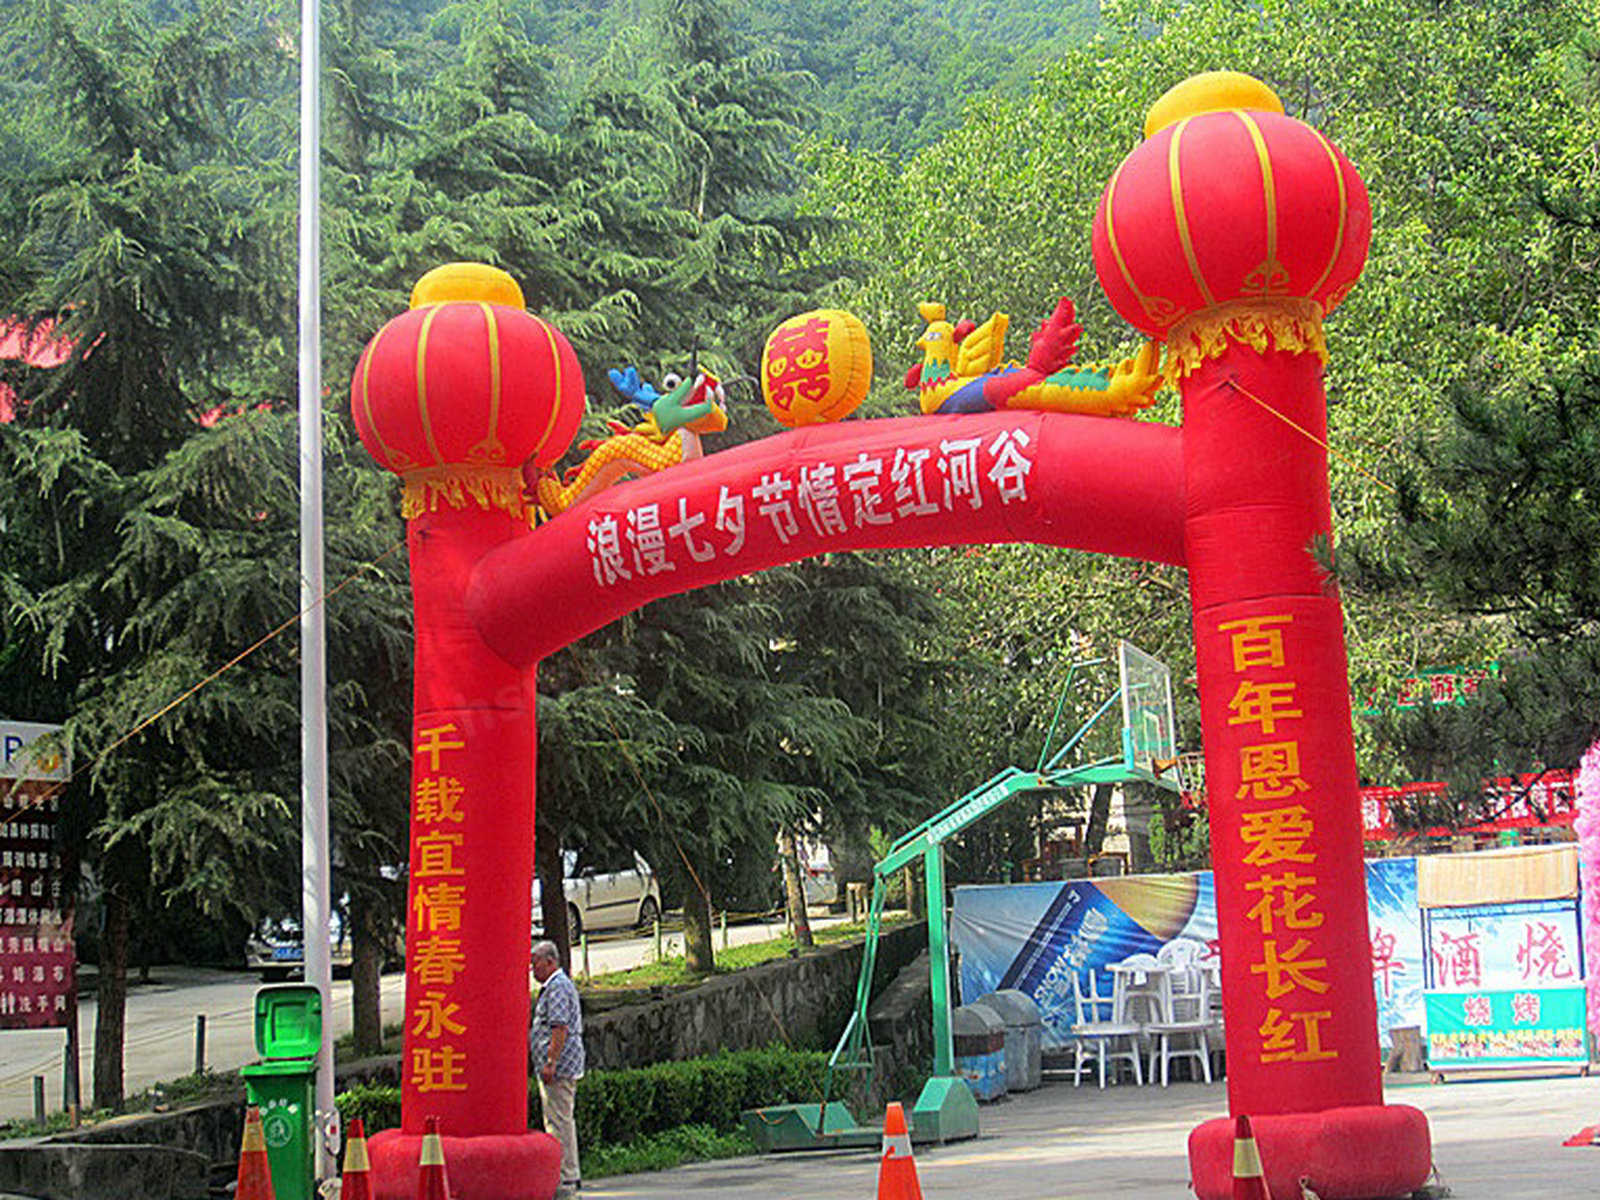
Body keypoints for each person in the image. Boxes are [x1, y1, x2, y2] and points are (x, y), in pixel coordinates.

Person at [530, 939, 585, 1195]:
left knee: (559, 1121)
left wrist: (551, 1061)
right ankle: (566, 1172)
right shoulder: (554, 986)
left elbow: (559, 1027)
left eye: (536, 964)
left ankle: (566, 1175)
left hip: (560, 1067)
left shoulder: (558, 987)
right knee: (558, 1118)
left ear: (550, 962)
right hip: (559, 1065)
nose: (533, 970)